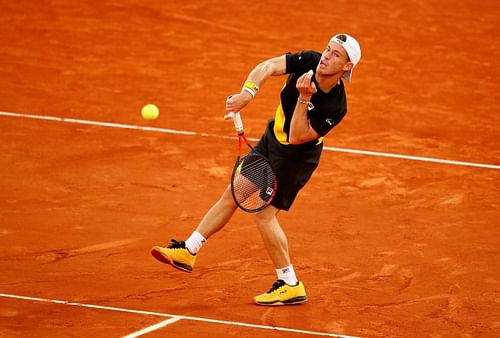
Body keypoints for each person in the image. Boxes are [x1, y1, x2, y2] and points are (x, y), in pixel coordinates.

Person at [151, 33, 361, 306]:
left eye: (336, 55)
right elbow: (270, 66)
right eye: (328, 49)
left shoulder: (335, 105)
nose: (326, 57)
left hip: (295, 158)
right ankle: (188, 250)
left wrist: (303, 98)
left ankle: (289, 283)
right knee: (234, 193)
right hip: (272, 141)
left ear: (347, 67)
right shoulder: (309, 60)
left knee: (264, 214)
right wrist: (247, 93)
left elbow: (298, 136)